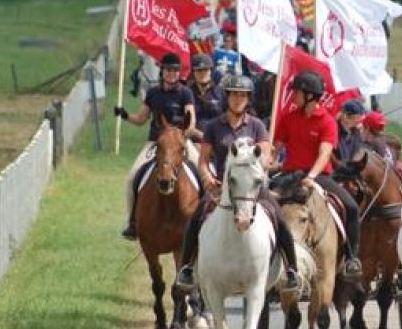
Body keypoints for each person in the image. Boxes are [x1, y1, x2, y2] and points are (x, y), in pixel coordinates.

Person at [175, 74, 301, 292]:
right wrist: (207, 178)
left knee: (279, 219)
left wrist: (264, 161)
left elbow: (264, 155)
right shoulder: (214, 126)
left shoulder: (257, 126)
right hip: (223, 186)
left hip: (252, 188)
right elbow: (203, 160)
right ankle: (186, 268)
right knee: (195, 219)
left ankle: (291, 270)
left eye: (242, 95)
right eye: (234, 95)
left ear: (248, 99)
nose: (238, 99)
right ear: (227, 97)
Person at [272, 70, 362, 279]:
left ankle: (351, 258)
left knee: (351, 207)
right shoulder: (288, 118)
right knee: (262, 201)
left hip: (318, 176)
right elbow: (277, 147)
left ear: (310, 96)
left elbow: (325, 154)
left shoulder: (327, 122)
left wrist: (311, 176)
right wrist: (268, 159)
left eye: (296, 92)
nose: (293, 96)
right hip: (289, 175)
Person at [114, 52, 197, 240]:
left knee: (202, 172)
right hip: (156, 142)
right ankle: (132, 222)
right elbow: (141, 119)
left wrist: (180, 131)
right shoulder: (153, 93)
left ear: (179, 72)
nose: (171, 73)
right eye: (168, 70)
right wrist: (124, 115)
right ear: (162, 71)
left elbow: (191, 120)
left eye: (175, 70)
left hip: (180, 141)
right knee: (132, 177)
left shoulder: (186, 93)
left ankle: (203, 220)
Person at [187, 53, 222, 140]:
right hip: (192, 139)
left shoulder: (221, 92)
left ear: (211, 71)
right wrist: (199, 135)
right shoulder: (186, 92)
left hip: (217, 139)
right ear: (193, 72)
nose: (202, 73)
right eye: (199, 70)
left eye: (205, 70)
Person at [334, 98, 366, 165]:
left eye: (361, 118)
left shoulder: (356, 132)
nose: (359, 122)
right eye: (357, 118)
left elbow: (357, 152)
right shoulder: (333, 130)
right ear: (345, 116)